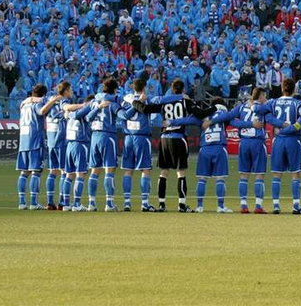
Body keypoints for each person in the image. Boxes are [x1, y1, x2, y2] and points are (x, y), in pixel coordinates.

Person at [132, 79, 215, 212]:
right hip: (179, 138)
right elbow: (201, 114)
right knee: (180, 172)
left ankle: (161, 205)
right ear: (183, 90)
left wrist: (135, 102)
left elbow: (146, 109)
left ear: (172, 88)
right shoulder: (185, 100)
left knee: (164, 172)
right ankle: (182, 205)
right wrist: (215, 107)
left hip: (165, 139)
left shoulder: (164, 101)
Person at [170, 99, 251, 212]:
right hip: (219, 148)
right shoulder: (225, 115)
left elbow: (188, 120)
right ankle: (220, 206)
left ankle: (199, 206)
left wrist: (171, 122)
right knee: (220, 179)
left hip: (205, 149)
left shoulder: (204, 115)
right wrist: (252, 124)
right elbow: (237, 123)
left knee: (202, 179)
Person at [264, 78, 301, 214]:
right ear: (294, 90)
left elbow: (266, 116)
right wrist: (292, 127)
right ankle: (296, 206)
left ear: (282, 88)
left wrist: (279, 125)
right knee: (295, 173)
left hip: (278, 140)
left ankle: (276, 206)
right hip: (292, 140)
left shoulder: (273, 102)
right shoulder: (298, 103)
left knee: (277, 174)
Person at [16, 84, 61, 210]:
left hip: (23, 140)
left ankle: (22, 202)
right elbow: (41, 111)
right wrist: (51, 101)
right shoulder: (37, 104)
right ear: (44, 95)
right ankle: (34, 203)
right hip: (35, 139)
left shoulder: (24, 104)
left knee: (24, 172)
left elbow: (25, 103)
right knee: (36, 171)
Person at [227, 87, 271, 213]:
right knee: (259, 175)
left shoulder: (242, 107)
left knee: (244, 175)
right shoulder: (264, 108)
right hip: (257, 142)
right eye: (264, 96)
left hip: (244, 142)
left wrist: (245, 124)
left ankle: (243, 205)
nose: (266, 98)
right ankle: (258, 206)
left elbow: (230, 120)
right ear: (261, 96)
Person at [44, 82, 86, 209]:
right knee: (64, 172)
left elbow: (42, 111)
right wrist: (82, 105)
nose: (72, 91)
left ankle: (50, 202)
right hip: (61, 141)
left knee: (52, 172)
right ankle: (63, 202)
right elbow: (67, 107)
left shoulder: (50, 101)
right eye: (71, 89)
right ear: (66, 91)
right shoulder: (63, 101)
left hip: (51, 142)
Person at [119, 79, 156, 211]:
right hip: (142, 137)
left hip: (128, 137)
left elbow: (123, 115)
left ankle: (127, 202)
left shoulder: (126, 100)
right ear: (144, 87)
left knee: (128, 171)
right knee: (145, 170)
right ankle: (145, 203)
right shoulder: (147, 99)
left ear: (132, 88)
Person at [87, 78, 121, 212]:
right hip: (108, 136)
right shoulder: (112, 102)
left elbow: (88, 118)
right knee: (109, 170)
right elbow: (123, 115)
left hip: (95, 137)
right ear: (114, 89)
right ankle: (109, 204)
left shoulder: (94, 101)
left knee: (94, 171)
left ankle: (91, 203)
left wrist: (97, 107)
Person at [63, 96, 98, 212]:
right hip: (80, 144)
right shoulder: (84, 109)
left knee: (69, 175)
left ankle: (66, 204)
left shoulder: (72, 111)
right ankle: (76, 204)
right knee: (80, 174)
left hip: (70, 145)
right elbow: (85, 116)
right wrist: (95, 106)